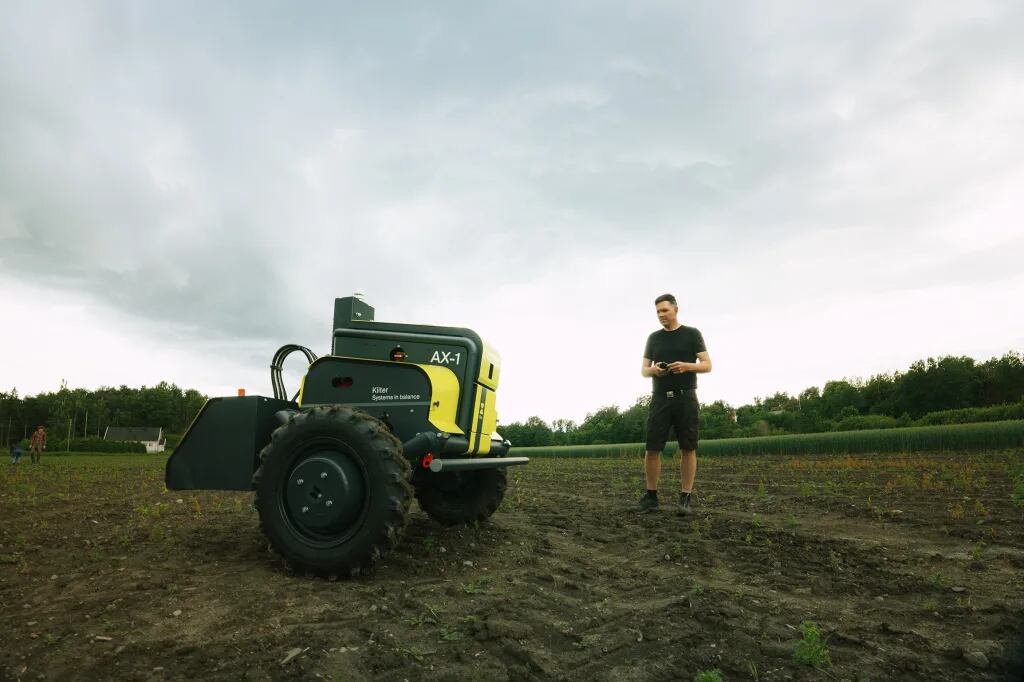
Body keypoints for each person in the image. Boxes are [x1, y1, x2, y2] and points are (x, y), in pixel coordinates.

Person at [637, 294, 712, 515]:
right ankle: (651, 497)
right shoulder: (653, 338)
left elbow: (707, 365)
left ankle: (685, 497)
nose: (661, 315)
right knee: (652, 449)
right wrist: (655, 370)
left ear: (675, 310)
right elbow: (643, 370)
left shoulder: (692, 334)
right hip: (660, 398)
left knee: (688, 448)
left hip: (686, 398)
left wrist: (687, 366)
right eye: (658, 312)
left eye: (664, 311)